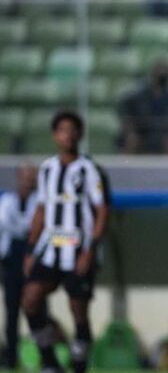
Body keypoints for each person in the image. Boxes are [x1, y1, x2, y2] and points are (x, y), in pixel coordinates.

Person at [20, 111, 109, 373]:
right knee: (31, 300)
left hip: (79, 251)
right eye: (62, 130)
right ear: (54, 135)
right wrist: (30, 249)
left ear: (79, 134)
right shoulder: (47, 169)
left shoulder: (90, 169)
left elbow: (102, 210)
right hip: (50, 250)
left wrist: (90, 249)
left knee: (77, 310)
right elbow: (41, 209)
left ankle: (79, 364)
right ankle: (49, 362)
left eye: (72, 129)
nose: (67, 134)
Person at [0, 165, 37, 369]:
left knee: (36, 310)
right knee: (11, 313)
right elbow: (6, 224)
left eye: (32, 177)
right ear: (18, 177)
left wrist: (23, 227)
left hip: (33, 263)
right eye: (25, 176)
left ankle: (42, 357)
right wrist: (25, 227)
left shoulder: (40, 202)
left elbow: (35, 226)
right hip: (11, 262)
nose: (28, 181)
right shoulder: (7, 201)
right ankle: (11, 358)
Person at [117, 60, 168, 154]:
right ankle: (128, 165)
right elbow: (124, 107)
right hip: (140, 128)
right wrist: (130, 125)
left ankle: (167, 166)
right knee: (132, 139)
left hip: (160, 131)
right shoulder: (138, 95)